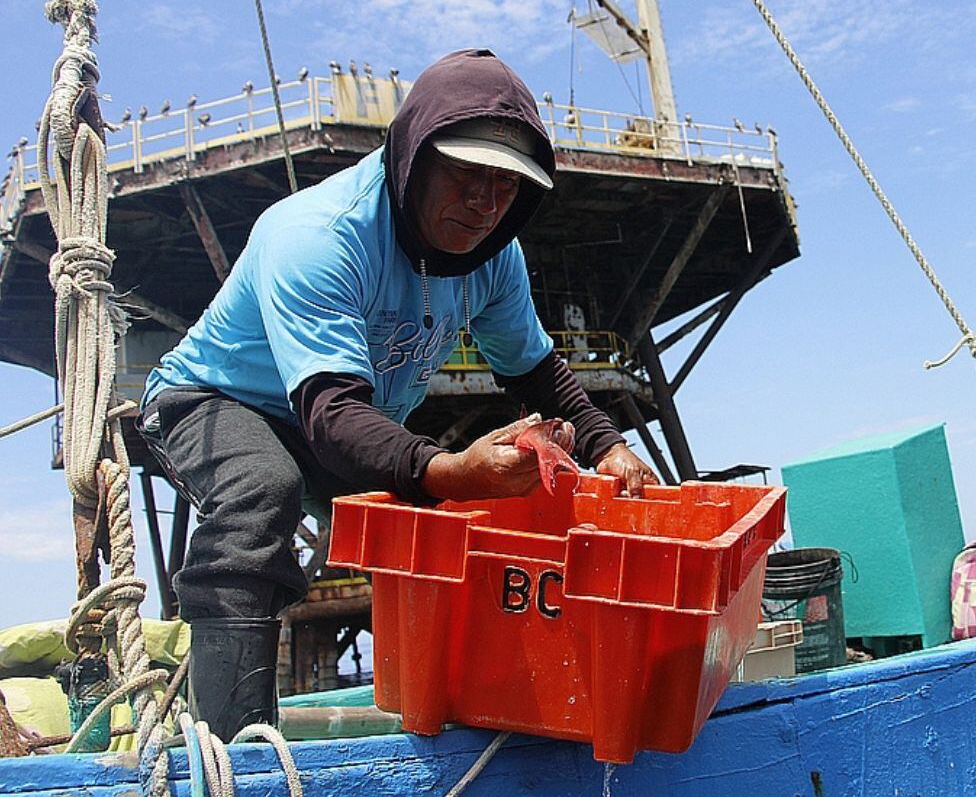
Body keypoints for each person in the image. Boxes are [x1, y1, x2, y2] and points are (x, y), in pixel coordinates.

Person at [137, 49, 658, 736]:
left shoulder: (495, 256)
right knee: (261, 487)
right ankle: (233, 751)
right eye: (467, 174)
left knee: (434, 524)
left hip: (343, 421)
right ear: (414, 156)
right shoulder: (318, 237)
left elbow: (534, 371)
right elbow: (331, 412)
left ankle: (455, 711)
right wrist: (448, 470)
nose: (484, 203)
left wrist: (609, 446)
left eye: (506, 186)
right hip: (211, 401)